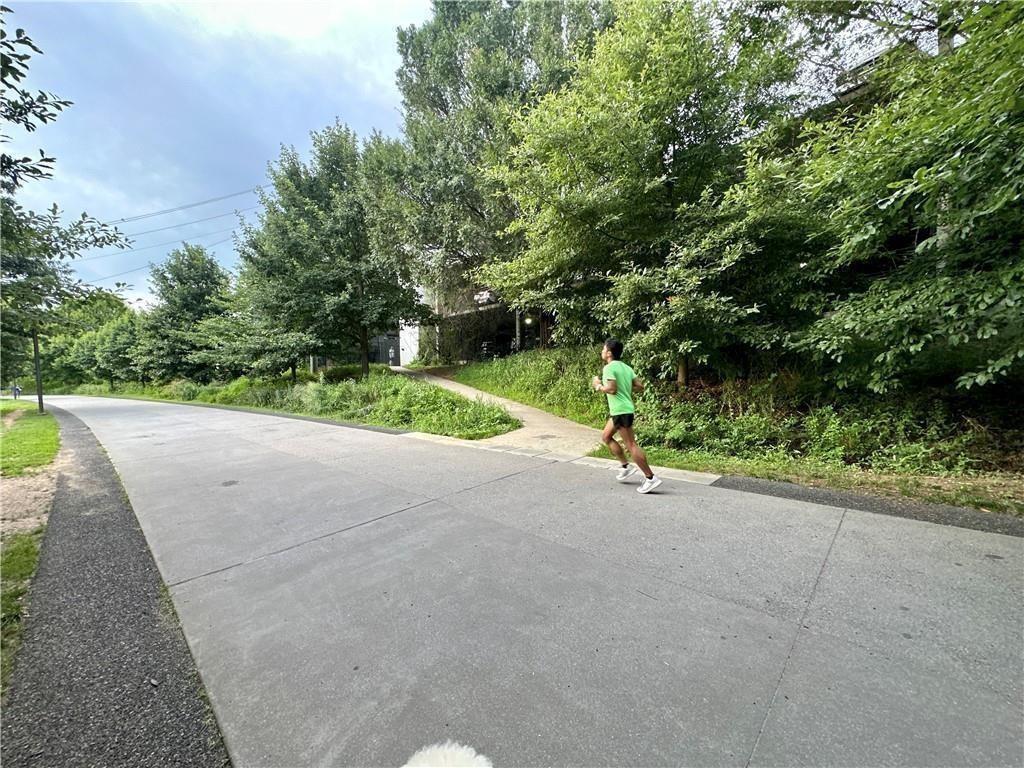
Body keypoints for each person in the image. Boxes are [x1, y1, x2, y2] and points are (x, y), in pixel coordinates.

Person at [591, 338, 662, 494]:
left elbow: (611, 389)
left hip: (621, 410)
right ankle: (626, 466)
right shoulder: (626, 367)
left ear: (609, 353)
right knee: (606, 437)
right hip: (622, 409)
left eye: (603, 349)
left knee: (631, 445)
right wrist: (625, 387)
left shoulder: (609, 368)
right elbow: (640, 386)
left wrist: (597, 385)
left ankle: (650, 478)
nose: (602, 352)